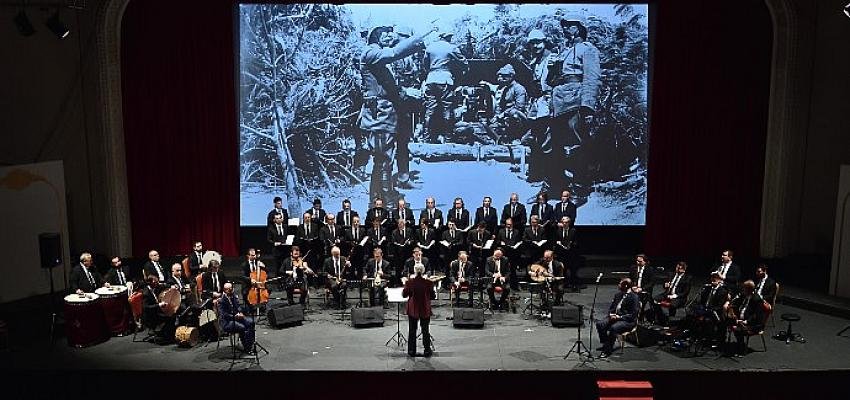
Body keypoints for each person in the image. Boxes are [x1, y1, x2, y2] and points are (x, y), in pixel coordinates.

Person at [359, 26, 435, 203]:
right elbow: (393, 53)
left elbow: (387, 87)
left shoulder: (377, 56)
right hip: (379, 114)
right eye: (385, 36)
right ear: (376, 37)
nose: (389, 38)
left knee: (385, 157)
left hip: (384, 112)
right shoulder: (371, 52)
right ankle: (384, 198)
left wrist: (406, 91)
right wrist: (420, 35)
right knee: (383, 157)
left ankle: (382, 197)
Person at [546, 13, 601, 200]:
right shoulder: (563, 52)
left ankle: (580, 187)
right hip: (560, 101)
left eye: (568, 25)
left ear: (578, 28)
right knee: (556, 144)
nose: (564, 29)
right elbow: (552, 80)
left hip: (576, 99)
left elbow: (592, 78)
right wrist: (552, 68)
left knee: (578, 143)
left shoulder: (588, 50)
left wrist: (587, 105)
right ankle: (557, 187)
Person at [390, 26, 425, 189]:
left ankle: (403, 177)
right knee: (390, 142)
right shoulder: (392, 56)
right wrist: (407, 91)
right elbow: (391, 84)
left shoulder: (408, 57)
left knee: (403, 140)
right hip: (392, 104)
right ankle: (389, 181)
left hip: (405, 104)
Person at [422, 31, 468, 141]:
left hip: (431, 79)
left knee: (430, 109)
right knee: (447, 108)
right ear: (447, 37)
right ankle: (448, 137)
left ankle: (426, 137)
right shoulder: (451, 48)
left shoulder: (430, 47)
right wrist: (465, 70)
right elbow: (463, 61)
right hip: (445, 79)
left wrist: (431, 71)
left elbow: (425, 64)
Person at [522, 29, 554, 182]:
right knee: (536, 137)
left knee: (548, 139)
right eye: (532, 43)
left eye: (538, 42)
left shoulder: (553, 58)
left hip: (549, 101)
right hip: (537, 102)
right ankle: (537, 173)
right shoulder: (535, 62)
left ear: (545, 42)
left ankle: (548, 175)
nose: (535, 46)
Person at [596, 278, 640, 358]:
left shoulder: (634, 297)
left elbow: (633, 315)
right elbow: (611, 308)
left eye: (620, 284)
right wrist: (611, 314)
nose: (618, 285)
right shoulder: (618, 295)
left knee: (613, 328)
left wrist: (619, 317)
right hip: (614, 317)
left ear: (626, 286)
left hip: (627, 321)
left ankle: (607, 350)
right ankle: (606, 344)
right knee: (600, 324)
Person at [726, 280, 766, 357]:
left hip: (753, 324)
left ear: (749, 289)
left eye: (744, 288)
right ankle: (724, 343)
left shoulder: (757, 300)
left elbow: (756, 316)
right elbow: (735, 305)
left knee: (738, 329)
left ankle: (741, 348)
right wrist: (732, 311)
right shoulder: (743, 295)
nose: (742, 289)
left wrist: (745, 322)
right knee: (726, 320)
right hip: (740, 320)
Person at [403, 263, 435, 357]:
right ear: (423, 270)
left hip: (413, 309)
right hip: (425, 308)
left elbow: (404, 295)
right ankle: (427, 351)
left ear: (414, 271)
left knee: (412, 330)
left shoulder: (410, 282)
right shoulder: (429, 282)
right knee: (425, 330)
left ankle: (411, 351)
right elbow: (433, 296)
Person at [219, 282, 256, 354]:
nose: (230, 290)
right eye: (228, 289)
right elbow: (224, 314)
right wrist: (234, 316)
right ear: (224, 290)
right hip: (227, 322)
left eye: (231, 289)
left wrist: (240, 312)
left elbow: (238, 306)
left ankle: (251, 344)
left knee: (251, 322)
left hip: (237, 317)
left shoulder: (233, 296)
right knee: (242, 327)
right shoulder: (221, 300)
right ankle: (247, 348)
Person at [650, 261, 691, 326]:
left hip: (679, 297)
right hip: (667, 294)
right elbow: (665, 285)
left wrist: (674, 296)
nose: (677, 269)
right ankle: (660, 316)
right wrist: (665, 285)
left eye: (679, 268)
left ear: (684, 270)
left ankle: (670, 320)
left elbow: (685, 292)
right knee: (654, 299)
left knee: (672, 304)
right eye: (677, 267)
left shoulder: (687, 278)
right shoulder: (671, 274)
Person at [141, 274, 177, 343]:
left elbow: (163, 285)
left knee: (173, 313)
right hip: (150, 316)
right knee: (170, 316)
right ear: (150, 283)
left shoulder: (155, 286)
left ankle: (168, 334)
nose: (158, 284)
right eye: (156, 283)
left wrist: (171, 286)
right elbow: (146, 307)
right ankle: (167, 337)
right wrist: (159, 305)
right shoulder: (146, 293)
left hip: (156, 311)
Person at [497, 218, 521, 290]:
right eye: (507, 224)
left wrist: (515, 246)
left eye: (510, 224)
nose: (508, 226)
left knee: (512, 270)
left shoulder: (516, 232)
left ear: (512, 224)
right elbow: (497, 241)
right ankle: (501, 285)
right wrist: (501, 243)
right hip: (504, 253)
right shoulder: (501, 231)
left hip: (513, 253)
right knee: (502, 269)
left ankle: (514, 286)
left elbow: (519, 241)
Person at [553, 216, 577, 289]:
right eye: (563, 222)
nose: (565, 224)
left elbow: (576, 242)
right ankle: (560, 283)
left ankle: (571, 283)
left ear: (569, 223)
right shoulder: (558, 230)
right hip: (560, 253)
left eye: (566, 222)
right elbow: (555, 241)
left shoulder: (573, 231)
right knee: (560, 269)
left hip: (570, 253)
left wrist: (571, 245)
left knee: (571, 269)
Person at [629, 253, 656, 318]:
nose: (638, 263)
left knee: (640, 303)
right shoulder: (633, 268)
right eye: (637, 261)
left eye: (640, 261)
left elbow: (652, 283)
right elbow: (630, 279)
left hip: (644, 290)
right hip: (634, 288)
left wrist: (642, 288)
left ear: (645, 262)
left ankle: (640, 316)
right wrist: (632, 286)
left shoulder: (650, 269)